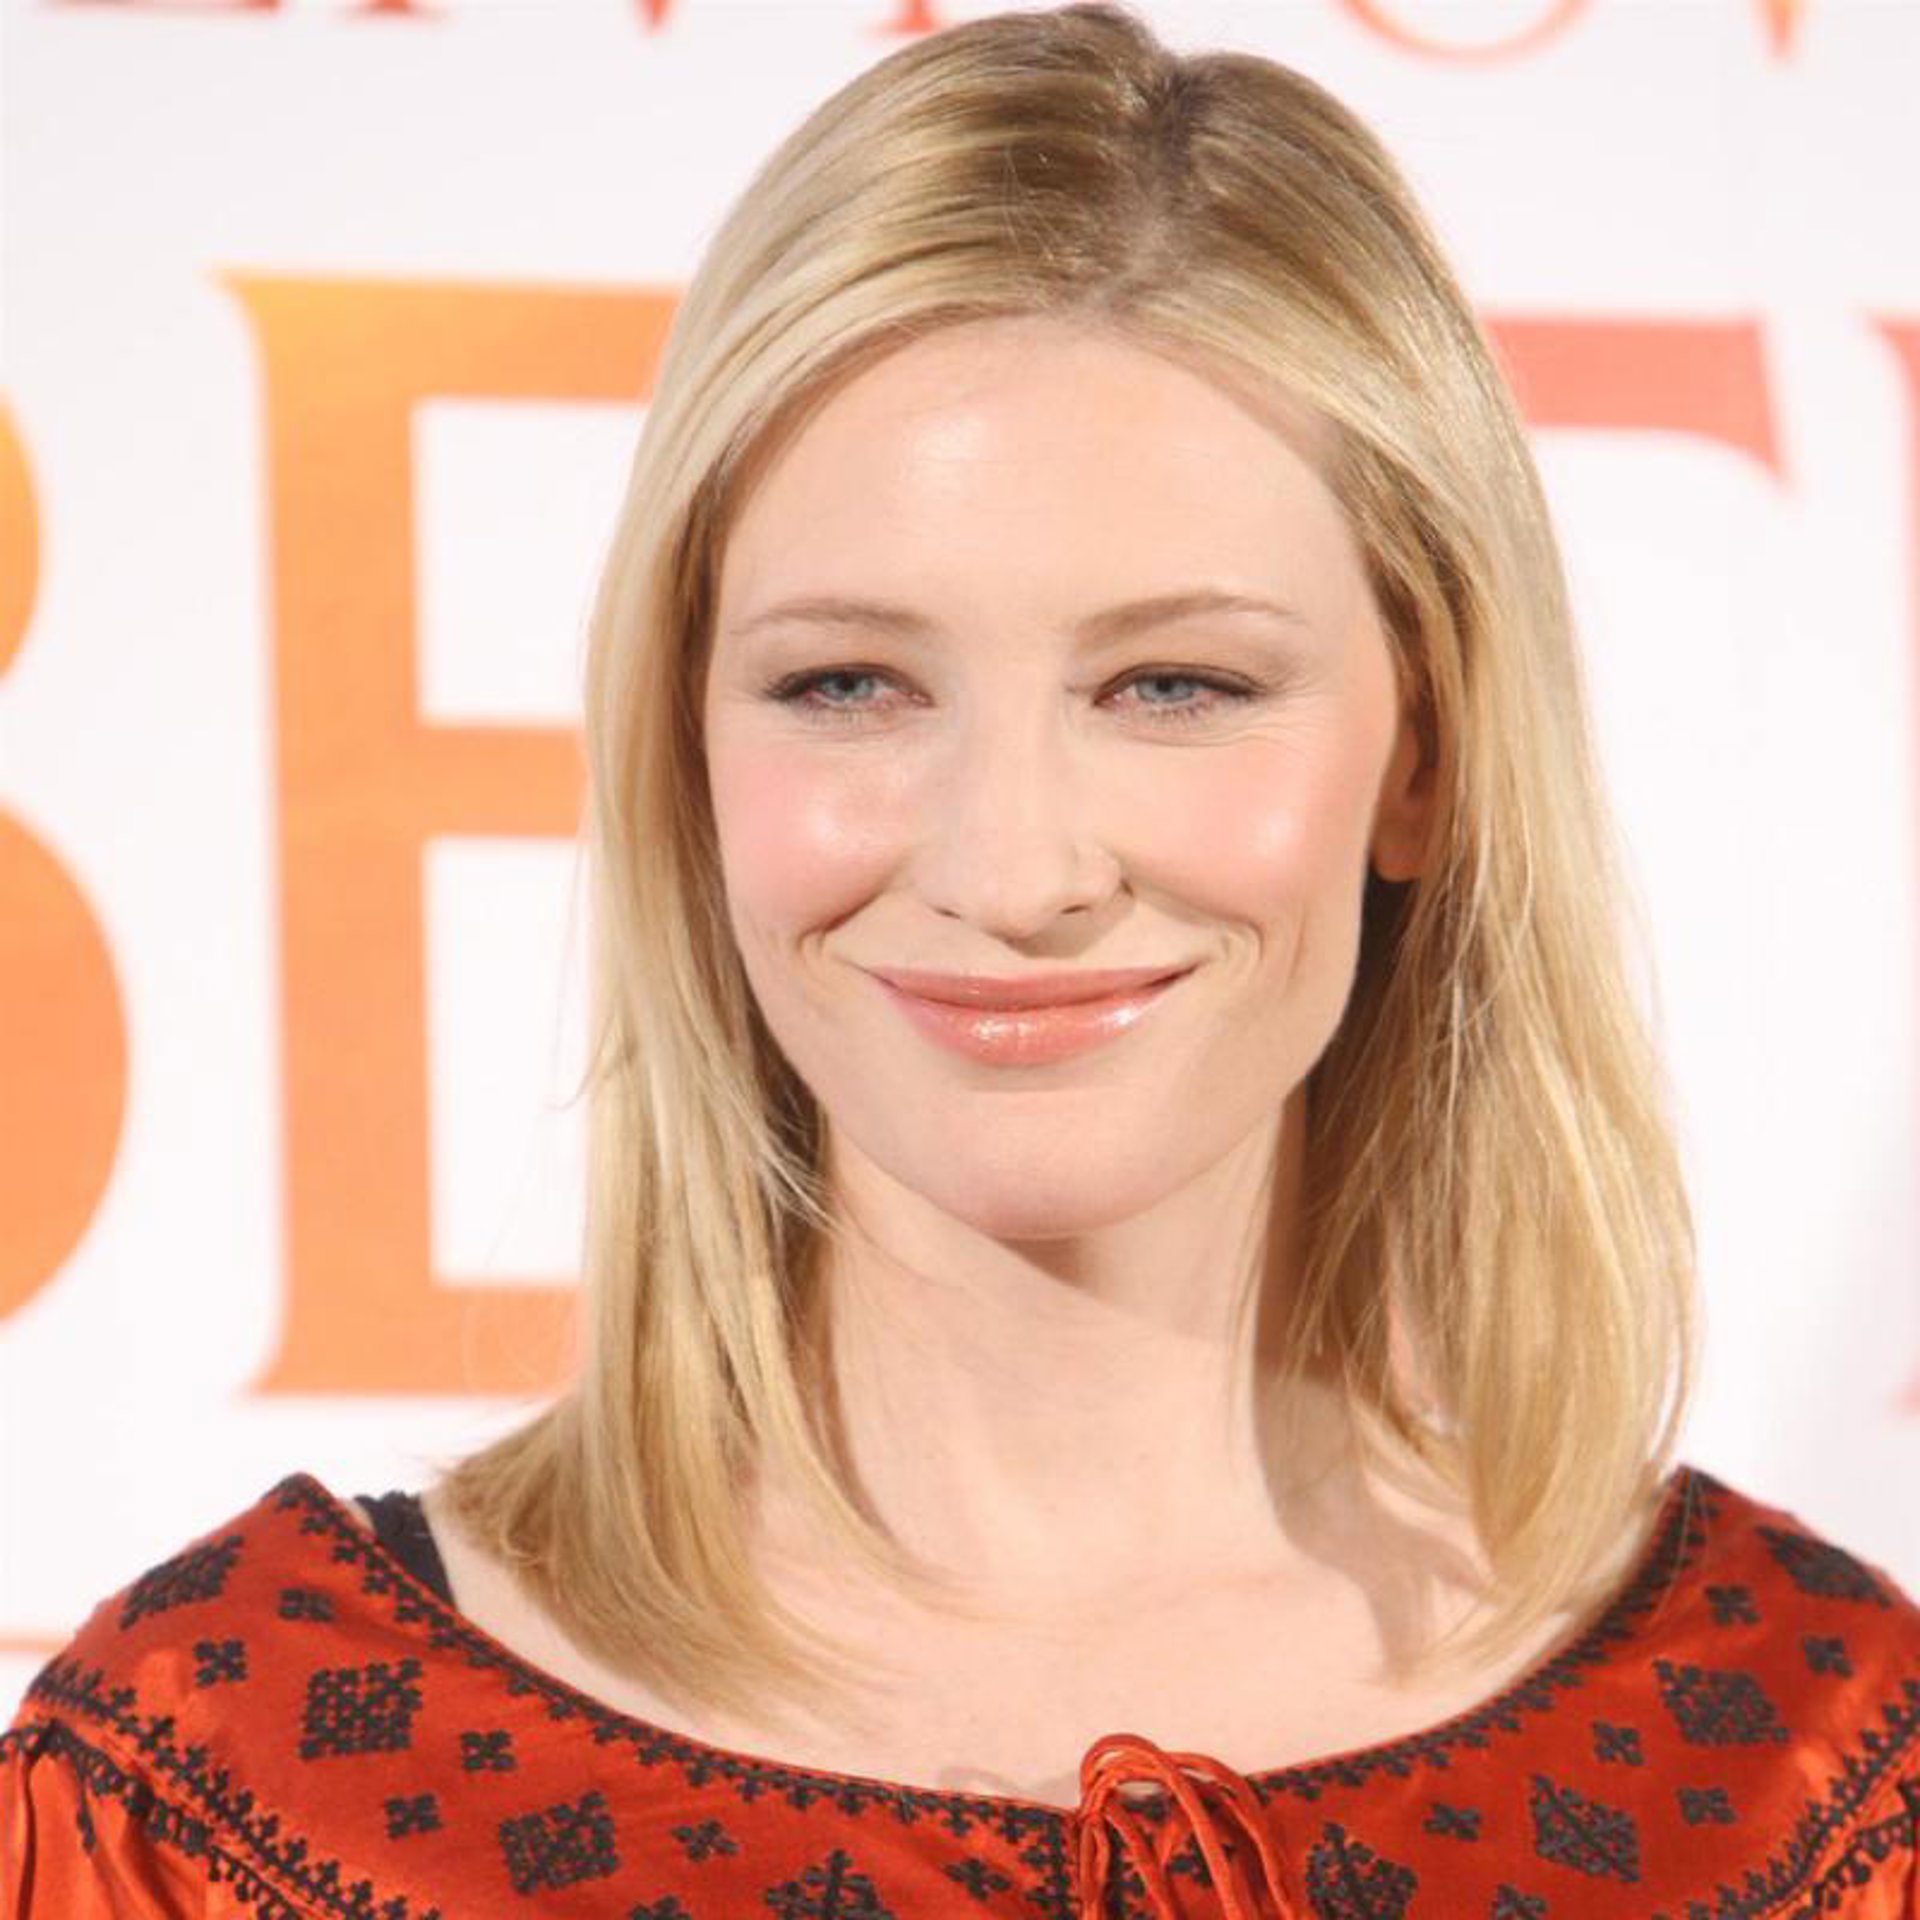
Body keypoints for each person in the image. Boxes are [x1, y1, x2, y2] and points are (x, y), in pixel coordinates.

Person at [6, 4, 1917, 1914]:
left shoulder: (1807, 1767)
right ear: (687, 749)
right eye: (849, 684)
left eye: (1177, 685)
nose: (1014, 870)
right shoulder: (224, 1785)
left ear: (1423, 756)